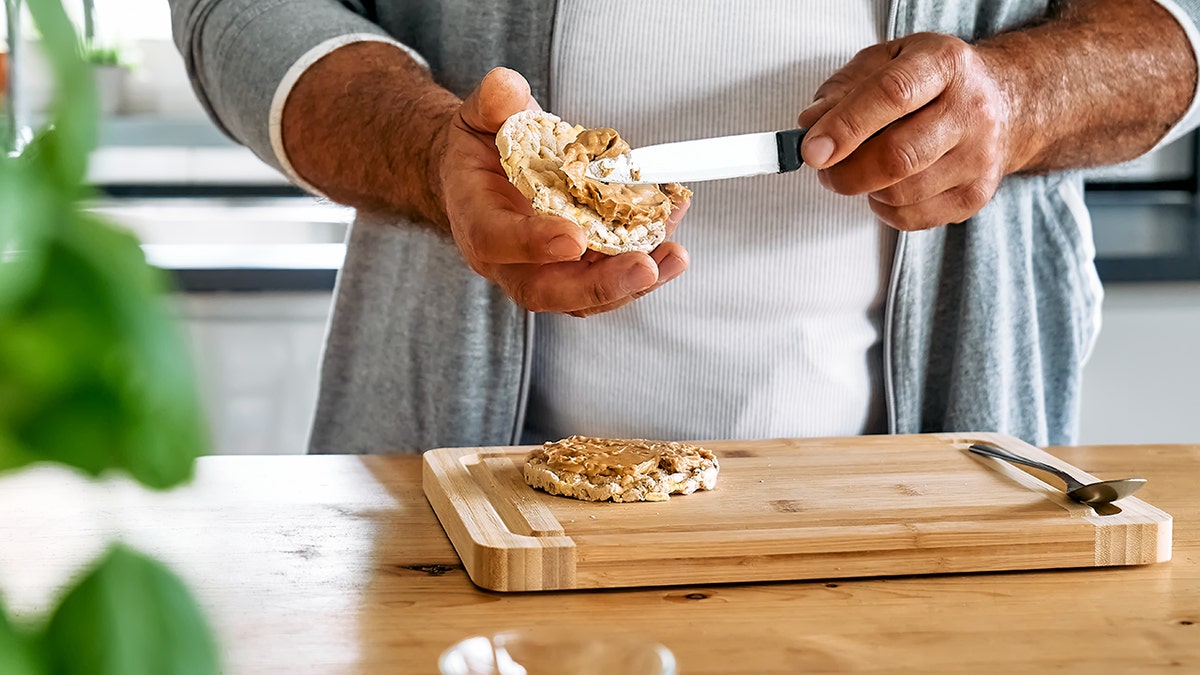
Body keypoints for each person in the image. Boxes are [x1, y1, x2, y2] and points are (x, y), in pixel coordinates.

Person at [170, 0, 1199, 454]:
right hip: (467, 501)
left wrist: (1024, 96)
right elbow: (239, 8)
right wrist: (431, 154)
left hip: (936, 495)